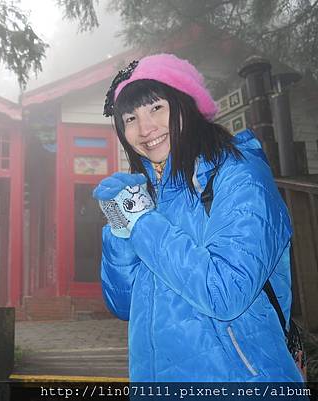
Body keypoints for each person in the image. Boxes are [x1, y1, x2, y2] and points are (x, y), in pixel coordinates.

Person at [92, 53, 304, 382]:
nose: (145, 128)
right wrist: (121, 229)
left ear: (184, 104)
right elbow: (124, 304)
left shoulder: (239, 175)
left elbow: (225, 292)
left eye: (156, 108)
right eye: (130, 119)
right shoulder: (149, 195)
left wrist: (142, 222)